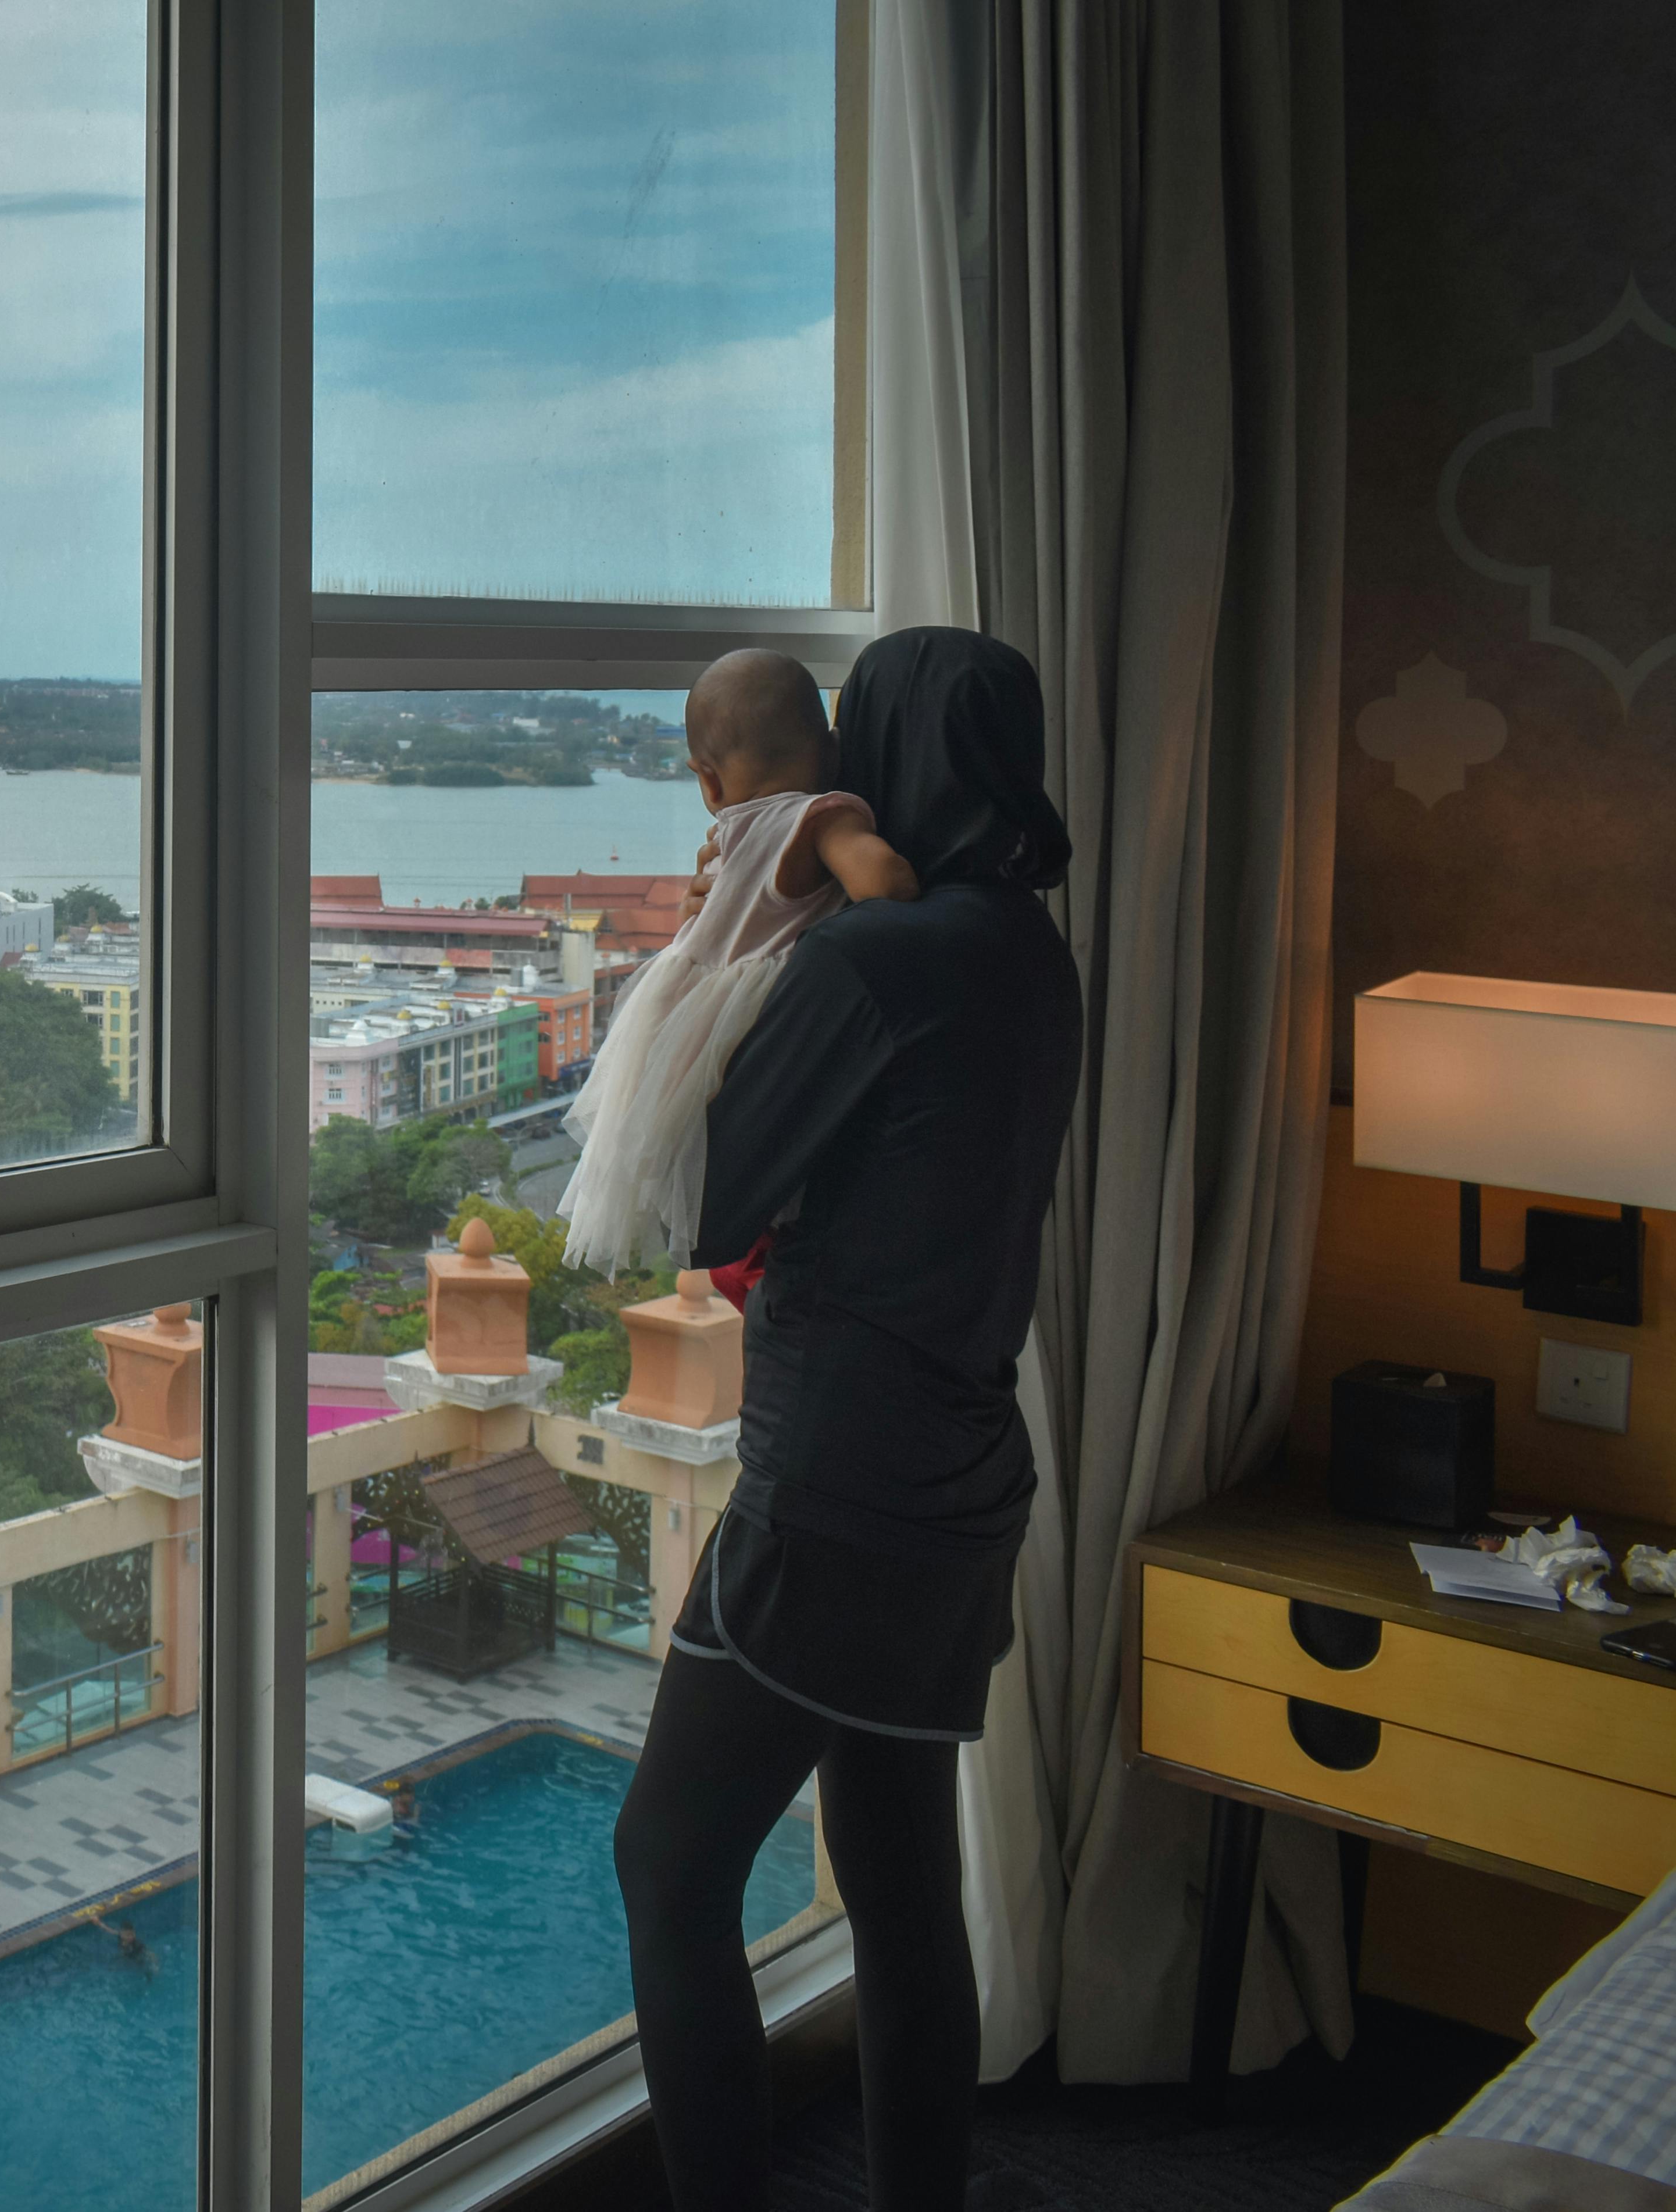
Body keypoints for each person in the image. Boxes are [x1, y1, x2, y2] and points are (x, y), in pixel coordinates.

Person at [611, 628, 1082, 2212]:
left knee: (665, 1865)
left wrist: (715, 953)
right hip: (963, 1474)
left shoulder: (878, 957)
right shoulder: (1022, 943)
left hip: (832, 1483)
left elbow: (699, 1195)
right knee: (896, 1876)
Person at [556, 649, 921, 1276]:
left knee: (703, 1170)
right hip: (751, 1020)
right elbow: (887, 885)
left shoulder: (726, 834)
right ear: (832, 751)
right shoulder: (818, 818)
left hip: (676, 1026)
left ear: (708, 781)